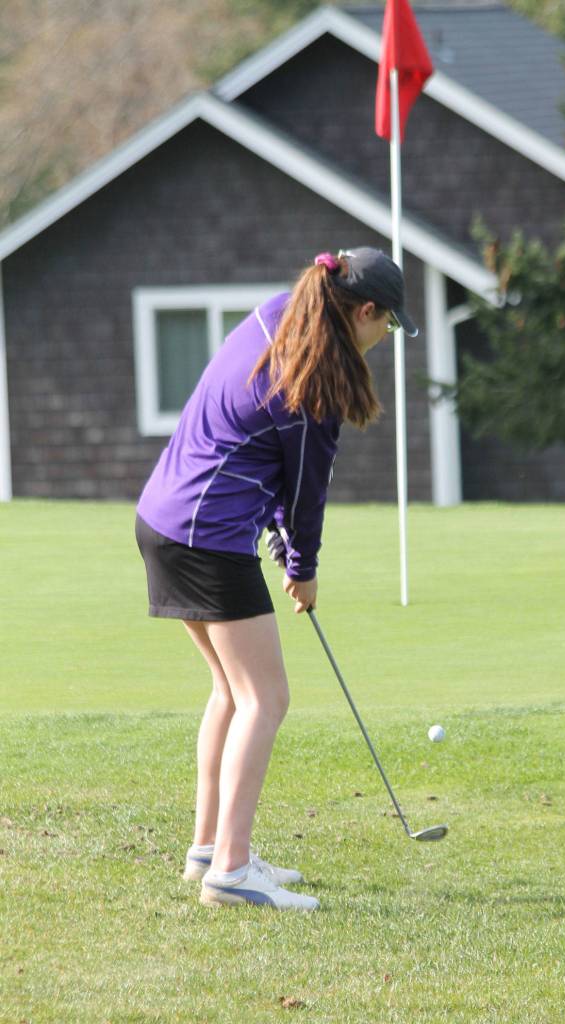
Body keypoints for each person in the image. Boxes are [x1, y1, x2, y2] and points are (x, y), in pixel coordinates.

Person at [135, 247, 418, 911]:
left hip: (163, 521)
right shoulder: (318, 381)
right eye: (387, 324)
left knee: (232, 693)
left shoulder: (277, 316)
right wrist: (303, 569)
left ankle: (209, 849)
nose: (385, 337)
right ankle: (230, 872)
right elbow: (306, 493)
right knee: (266, 698)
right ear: (365, 311)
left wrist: (281, 532)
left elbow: (266, 451)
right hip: (206, 537)